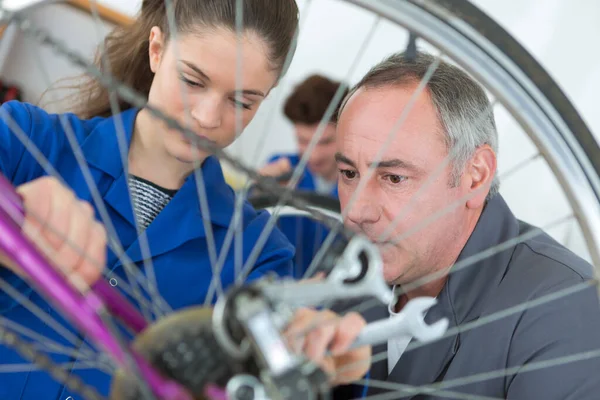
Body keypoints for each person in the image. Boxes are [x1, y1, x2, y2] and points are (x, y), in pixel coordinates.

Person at [0, 0, 301, 398]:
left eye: (242, 102)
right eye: (193, 81)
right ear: (156, 50)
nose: (208, 118)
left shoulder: (259, 253)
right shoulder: (24, 140)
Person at [300, 51, 600, 399]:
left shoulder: (562, 308)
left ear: (476, 176)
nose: (356, 211)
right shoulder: (354, 281)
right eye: (349, 173)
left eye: (394, 178)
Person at [258, 74, 348, 277]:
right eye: (303, 140)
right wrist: (255, 194)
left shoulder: (366, 185)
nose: (313, 155)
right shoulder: (278, 169)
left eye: (325, 142)